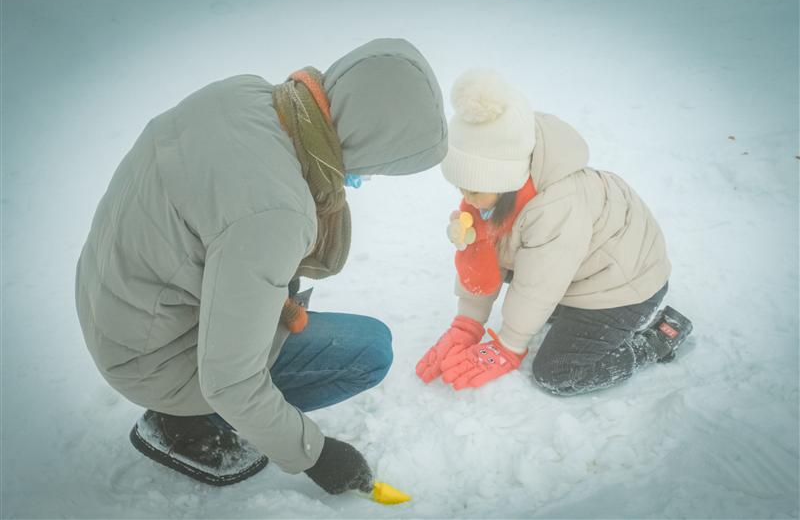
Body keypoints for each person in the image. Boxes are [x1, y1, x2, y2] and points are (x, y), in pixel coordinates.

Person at [75, 38, 447, 490]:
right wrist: (315, 454)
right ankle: (186, 423)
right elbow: (230, 380)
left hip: (114, 305)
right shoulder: (275, 214)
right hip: (150, 359)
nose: (367, 177)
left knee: (284, 298)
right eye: (379, 165)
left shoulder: (249, 95)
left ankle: (189, 405)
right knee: (369, 349)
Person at [416, 69, 692, 394]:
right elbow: (487, 261)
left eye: (473, 190)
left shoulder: (557, 207)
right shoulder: (503, 188)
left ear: (503, 178)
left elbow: (537, 284)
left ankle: (658, 340)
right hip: (579, 273)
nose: (465, 198)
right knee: (530, 294)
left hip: (624, 289)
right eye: (461, 187)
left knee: (559, 373)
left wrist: (510, 345)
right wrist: (468, 323)